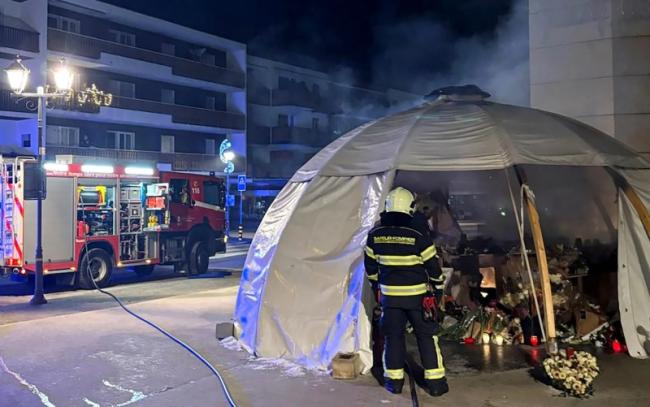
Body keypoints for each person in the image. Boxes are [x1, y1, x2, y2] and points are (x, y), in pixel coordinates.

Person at [364, 187, 449, 397]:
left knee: (393, 337)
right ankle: (436, 384)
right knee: (426, 337)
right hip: (417, 298)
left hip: (390, 299)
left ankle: (394, 383)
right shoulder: (418, 234)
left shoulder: (375, 234)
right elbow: (433, 267)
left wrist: (378, 289)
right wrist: (438, 288)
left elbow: (371, 268)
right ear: (410, 208)